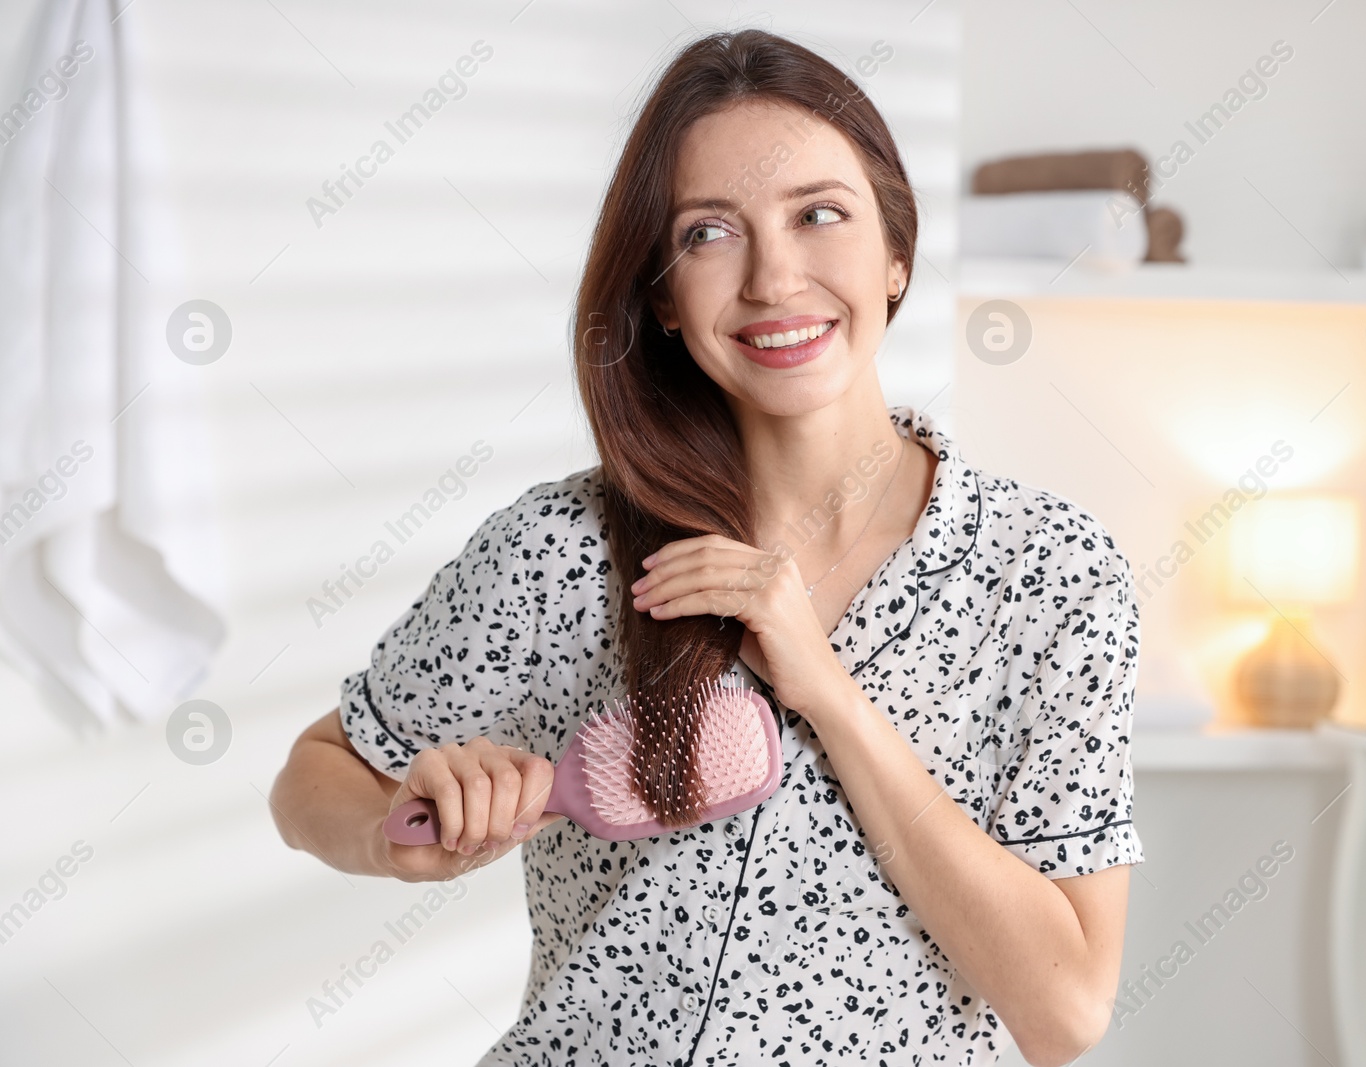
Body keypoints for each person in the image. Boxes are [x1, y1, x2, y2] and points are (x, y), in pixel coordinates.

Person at [269, 28, 1142, 1067]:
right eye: (708, 234)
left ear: (895, 251)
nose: (775, 277)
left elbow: (1065, 1012)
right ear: (663, 298)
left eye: (820, 215)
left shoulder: (1049, 574)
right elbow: (314, 775)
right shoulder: (564, 552)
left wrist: (825, 690)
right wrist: (394, 834)